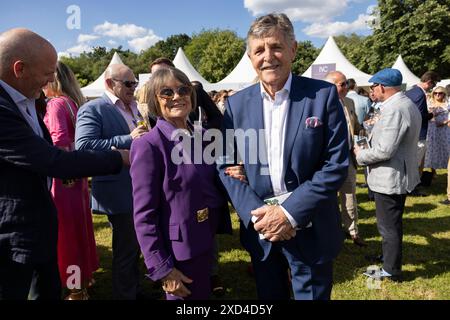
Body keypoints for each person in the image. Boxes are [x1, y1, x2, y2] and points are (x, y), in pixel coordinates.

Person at [218, 13, 348, 300]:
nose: (268, 57)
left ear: (293, 49)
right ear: (250, 57)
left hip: (310, 225)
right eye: (259, 50)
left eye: (275, 46)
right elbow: (225, 164)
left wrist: (288, 214)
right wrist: (261, 218)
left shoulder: (323, 96)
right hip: (261, 230)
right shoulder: (236, 105)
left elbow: (336, 165)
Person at [0, 28, 128, 300]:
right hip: (11, 236)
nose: (51, 80)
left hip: (41, 224)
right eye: (47, 73)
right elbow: (51, 159)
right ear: (19, 69)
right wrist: (120, 157)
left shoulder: (31, 100)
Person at [130, 67, 231, 300]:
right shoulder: (149, 145)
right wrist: (163, 269)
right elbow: (144, 216)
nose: (177, 96)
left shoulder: (202, 136)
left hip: (205, 242)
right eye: (166, 92)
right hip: (177, 257)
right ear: (155, 100)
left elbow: (211, 183)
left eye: (183, 90)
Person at [75, 63, 147, 300]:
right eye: (128, 83)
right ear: (109, 83)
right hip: (118, 190)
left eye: (134, 82)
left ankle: (135, 290)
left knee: (137, 246)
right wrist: (128, 139)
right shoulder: (92, 109)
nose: (133, 87)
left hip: (141, 186)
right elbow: (83, 147)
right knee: (126, 249)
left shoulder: (135, 107)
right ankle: (126, 295)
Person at [355, 68, 421, 282]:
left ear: (382, 87)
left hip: (389, 177)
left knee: (388, 226)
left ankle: (390, 270)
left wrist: (361, 155)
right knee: (392, 223)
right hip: (397, 173)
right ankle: (388, 259)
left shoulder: (395, 108)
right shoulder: (405, 103)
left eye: (374, 86)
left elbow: (385, 150)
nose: (373, 90)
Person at [43, 61, 97, 300]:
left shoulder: (55, 104)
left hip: (62, 179)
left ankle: (75, 289)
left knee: (66, 234)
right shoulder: (74, 103)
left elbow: (59, 142)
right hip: (77, 178)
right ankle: (83, 280)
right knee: (79, 228)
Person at [325, 71, 366, 247]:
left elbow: (355, 126)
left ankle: (353, 232)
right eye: (340, 84)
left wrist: (367, 130)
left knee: (349, 196)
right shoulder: (319, 104)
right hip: (327, 161)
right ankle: (331, 231)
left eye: (346, 84)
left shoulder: (349, 102)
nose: (344, 88)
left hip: (347, 158)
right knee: (327, 199)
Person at [405, 71, 441, 196]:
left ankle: (410, 186)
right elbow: (420, 116)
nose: (433, 87)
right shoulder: (420, 94)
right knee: (414, 163)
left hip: (410, 132)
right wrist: (432, 114)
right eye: (433, 84)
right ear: (429, 82)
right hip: (418, 133)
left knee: (411, 161)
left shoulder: (410, 91)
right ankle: (411, 189)